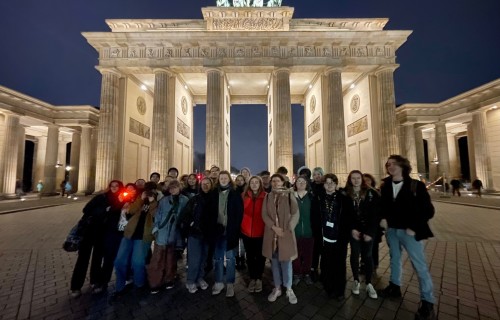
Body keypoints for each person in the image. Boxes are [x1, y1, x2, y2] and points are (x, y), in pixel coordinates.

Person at [379, 155, 436, 320]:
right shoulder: (386, 185)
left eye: (394, 164)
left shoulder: (415, 185)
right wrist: (382, 217)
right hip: (392, 230)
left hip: (409, 231)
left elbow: (428, 210)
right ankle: (395, 286)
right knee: (394, 259)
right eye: (388, 164)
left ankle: (427, 300)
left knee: (419, 265)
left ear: (403, 165)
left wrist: (414, 227)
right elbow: (382, 206)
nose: (390, 166)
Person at [70, 180, 124, 298]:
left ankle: (95, 282)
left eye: (117, 186)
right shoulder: (101, 197)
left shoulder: (121, 200)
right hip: (90, 230)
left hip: (103, 233)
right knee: (83, 259)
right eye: (112, 186)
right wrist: (104, 210)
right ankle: (76, 286)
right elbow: (86, 209)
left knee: (97, 259)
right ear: (109, 187)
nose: (114, 188)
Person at [113, 182, 158, 299]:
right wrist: (141, 199)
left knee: (137, 263)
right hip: (129, 233)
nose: (149, 192)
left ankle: (139, 284)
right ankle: (120, 287)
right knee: (119, 261)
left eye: (152, 190)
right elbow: (130, 211)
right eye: (147, 190)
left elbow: (156, 215)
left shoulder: (158, 201)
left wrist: (152, 201)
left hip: (144, 236)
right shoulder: (138, 198)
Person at [262, 173, 299, 305]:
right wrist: (273, 227)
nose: (275, 183)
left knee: (287, 263)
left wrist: (289, 227)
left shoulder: (289, 195)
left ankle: (288, 288)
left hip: (285, 234)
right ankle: (277, 287)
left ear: (283, 182)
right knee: (275, 263)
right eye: (273, 181)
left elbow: (295, 213)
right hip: (272, 235)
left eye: (278, 181)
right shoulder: (268, 196)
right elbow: (264, 214)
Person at [207, 171, 243, 297]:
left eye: (225, 178)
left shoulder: (235, 193)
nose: (223, 179)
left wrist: (236, 228)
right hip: (217, 231)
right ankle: (218, 282)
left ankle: (230, 283)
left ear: (229, 179)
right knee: (217, 258)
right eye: (221, 178)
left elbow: (239, 213)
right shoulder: (213, 193)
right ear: (218, 179)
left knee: (231, 258)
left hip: (230, 231)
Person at [148, 180, 189, 293]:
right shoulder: (164, 200)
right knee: (158, 258)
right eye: (171, 188)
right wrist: (156, 229)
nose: (173, 190)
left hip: (175, 233)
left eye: (175, 187)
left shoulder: (185, 200)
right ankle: (155, 282)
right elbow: (158, 215)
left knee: (171, 258)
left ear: (179, 188)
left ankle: (169, 279)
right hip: (163, 231)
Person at [345, 170, 380, 299]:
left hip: (368, 231)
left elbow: (376, 214)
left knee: (368, 255)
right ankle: (356, 280)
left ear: (362, 179)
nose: (355, 180)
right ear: (350, 180)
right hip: (354, 231)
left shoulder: (372, 194)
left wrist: (370, 232)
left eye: (358, 178)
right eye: (353, 178)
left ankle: (369, 282)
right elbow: (345, 214)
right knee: (354, 254)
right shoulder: (346, 194)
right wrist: (352, 229)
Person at [317, 173, 350, 300]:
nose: (329, 185)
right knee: (326, 263)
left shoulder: (344, 199)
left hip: (339, 237)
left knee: (340, 264)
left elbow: (348, 218)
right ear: (323, 185)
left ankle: (340, 289)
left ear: (336, 184)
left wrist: (346, 235)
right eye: (327, 183)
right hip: (324, 237)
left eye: (332, 183)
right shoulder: (319, 198)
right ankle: (328, 287)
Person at [179, 177, 213, 293]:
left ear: (211, 185)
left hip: (207, 233)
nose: (206, 185)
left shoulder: (214, 199)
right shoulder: (194, 199)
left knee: (203, 258)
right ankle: (190, 280)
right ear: (200, 185)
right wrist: (191, 225)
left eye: (208, 183)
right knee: (194, 259)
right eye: (204, 183)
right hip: (195, 233)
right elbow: (186, 215)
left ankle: (200, 277)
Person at [240, 176, 267, 293]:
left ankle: (259, 278)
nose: (254, 184)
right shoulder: (243, 196)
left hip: (261, 232)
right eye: (252, 182)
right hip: (246, 232)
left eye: (257, 182)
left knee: (261, 257)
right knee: (250, 256)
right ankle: (252, 278)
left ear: (260, 184)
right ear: (249, 184)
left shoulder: (266, 196)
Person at [292, 176, 319, 286]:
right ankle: (297, 273)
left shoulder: (312, 196)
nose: (301, 183)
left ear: (307, 183)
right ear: (295, 184)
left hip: (309, 231)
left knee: (308, 255)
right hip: (295, 231)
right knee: (295, 255)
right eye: (299, 181)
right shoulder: (291, 196)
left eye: (303, 181)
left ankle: (307, 273)